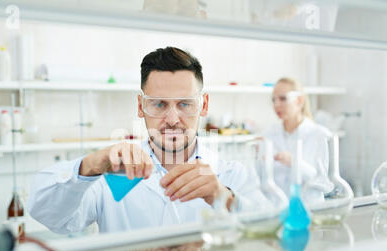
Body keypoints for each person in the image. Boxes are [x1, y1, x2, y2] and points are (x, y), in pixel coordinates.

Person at [27, 46, 264, 234]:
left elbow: (270, 231)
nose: (172, 119)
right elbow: (48, 214)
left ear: (204, 105)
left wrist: (222, 197)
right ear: (141, 106)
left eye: (185, 104)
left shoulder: (231, 174)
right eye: (159, 104)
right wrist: (88, 166)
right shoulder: (113, 174)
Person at [263, 77, 332, 198]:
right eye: (273, 100)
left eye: (283, 98)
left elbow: (325, 185)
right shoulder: (269, 134)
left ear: (299, 100)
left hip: (310, 211)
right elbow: (263, 181)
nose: (276, 104)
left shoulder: (319, 135)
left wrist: (294, 162)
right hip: (277, 211)